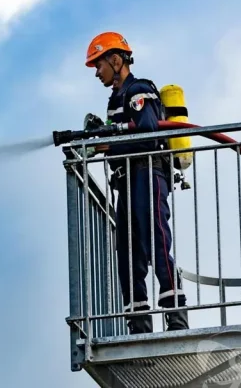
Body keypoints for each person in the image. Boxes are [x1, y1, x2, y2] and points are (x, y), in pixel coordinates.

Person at [81, 31, 189, 334]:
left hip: (148, 174)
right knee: (129, 255)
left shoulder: (139, 90)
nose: (97, 72)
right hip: (126, 180)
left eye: (98, 65)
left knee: (157, 243)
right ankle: (138, 324)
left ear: (116, 60)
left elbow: (147, 134)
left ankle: (176, 317)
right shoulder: (115, 99)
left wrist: (108, 146)